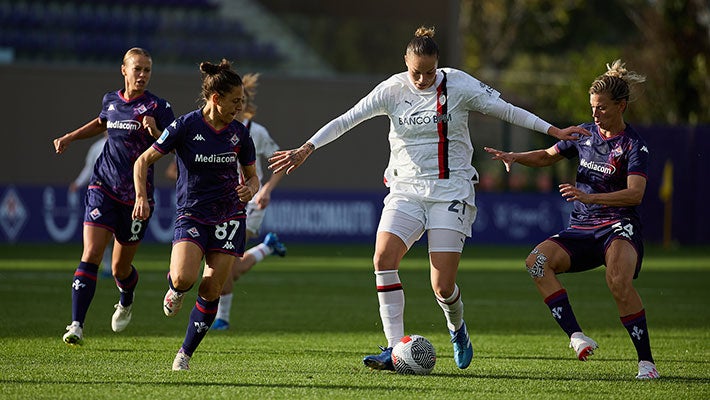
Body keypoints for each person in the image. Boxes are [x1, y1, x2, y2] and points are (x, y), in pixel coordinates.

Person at [268, 26, 590, 371]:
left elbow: (506, 110)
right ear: (405, 63)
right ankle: (393, 349)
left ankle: (457, 327)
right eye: (415, 71)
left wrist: (554, 131)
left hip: (450, 191)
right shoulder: (392, 89)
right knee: (383, 258)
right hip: (406, 190)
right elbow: (348, 119)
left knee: (442, 285)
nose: (422, 79)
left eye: (429, 71)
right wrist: (307, 148)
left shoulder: (458, 84)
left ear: (438, 65)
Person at [483, 60, 659, 380]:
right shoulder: (584, 134)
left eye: (602, 108)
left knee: (618, 282)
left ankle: (646, 363)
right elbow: (547, 156)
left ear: (621, 106)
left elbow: (635, 194)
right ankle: (577, 337)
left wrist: (590, 197)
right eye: (592, 107)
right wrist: (515, 157)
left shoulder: (633, 146)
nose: (595, 114)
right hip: (582, 228)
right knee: (536, 262)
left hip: (618, 226)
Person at [132, 59, 259, 371]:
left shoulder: (240, 134)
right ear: (216, 99)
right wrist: (140, 197)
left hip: (229, 216)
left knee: (212, 287)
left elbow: (253, 176)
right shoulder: (185, 126)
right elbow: (143, 161)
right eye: (235, 101)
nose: (240, 107)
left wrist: (251, 189)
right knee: (184, 278)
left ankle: (184, 354)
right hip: (192, 213)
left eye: (242, 101)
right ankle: (175, 289)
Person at [54, 47, 175, 345]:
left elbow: (171, 146)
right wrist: (69, 137)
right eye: (138, 69)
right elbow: (100, 123)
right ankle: (77, 325)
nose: (143, 75)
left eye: (147, 70)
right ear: (124, 70)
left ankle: (126, 297)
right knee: (91, 254)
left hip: (137, 197)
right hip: (102, 187)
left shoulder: (158, 106)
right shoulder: (111, 101)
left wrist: (156, 130)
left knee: (120, 268)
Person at [212, 72, 287, 331]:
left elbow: (280, 163)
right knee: (231, 266)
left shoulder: (257, 132)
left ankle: (222, 318)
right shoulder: (217, 127)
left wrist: (265, 188)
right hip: (223, 202)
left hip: (251, 203)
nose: (238, 104)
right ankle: (267, 247)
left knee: (225, 263)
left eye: (241, 99)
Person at [68, 132, 112, 278]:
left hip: (121, 196)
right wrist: (78, 183)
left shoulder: (124, 143)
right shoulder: (97, 147)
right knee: (101, 234)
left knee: (116, 236)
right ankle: (106, 267)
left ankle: (118, 268)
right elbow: (89, 168)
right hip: (100, 195)